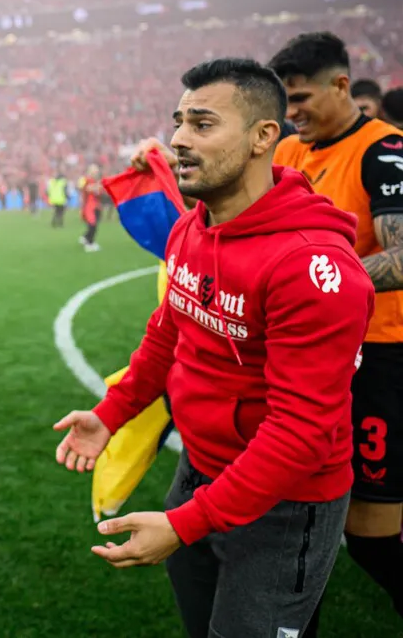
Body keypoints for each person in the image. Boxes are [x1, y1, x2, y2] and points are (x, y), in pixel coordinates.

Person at [53, 58, 374, 638]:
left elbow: (300, 433)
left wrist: (185, 523)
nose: (178, 138)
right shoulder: (191, 226)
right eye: (178, 121)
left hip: (287, 504)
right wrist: (110, 413)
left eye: (202, 124)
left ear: (262, 137)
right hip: (199, 471)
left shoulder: (311, 265)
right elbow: (168, 334)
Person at [268, 31, 403, 624]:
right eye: (284, 103)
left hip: (379, 359)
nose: (291, 114)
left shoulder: (383, 150)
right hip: (311, 360)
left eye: (300, 99)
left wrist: (320, 278)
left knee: (371, 538)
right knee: (299, 527)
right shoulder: (290, 153)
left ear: (342, 86)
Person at [78, 164, 103, 252]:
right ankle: (89, 243)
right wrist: (96, 187)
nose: (96, 172)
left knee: (94, 224)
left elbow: (99, 191)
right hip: (89, 206)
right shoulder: (85, 179)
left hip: (96, 206)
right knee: (92, 224)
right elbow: (86, 189)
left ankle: (86, 238)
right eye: (94, 170)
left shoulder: (96, 181)